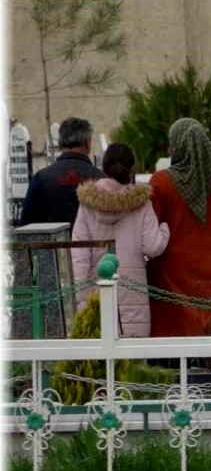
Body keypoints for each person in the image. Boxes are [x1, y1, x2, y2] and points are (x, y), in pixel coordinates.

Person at [146, 118, 211, 337]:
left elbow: (151, 230)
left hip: (173, 274)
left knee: (178, 347)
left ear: (177, 145)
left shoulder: (160, 182)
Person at [71, 143, 171, 337]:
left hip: (96, 292)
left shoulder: (87, 205)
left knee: (100, 358)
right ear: (131, 169)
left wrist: (80, 296)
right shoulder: (141, 204)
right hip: (132, 294)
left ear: (104, 168)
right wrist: (165, 229)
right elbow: (153, 247)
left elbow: (79, 254)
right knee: (132, 356)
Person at [19, 117, 104, 227]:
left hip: (50, 244)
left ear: (59, 144)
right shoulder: (101, 179)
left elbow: (26, 225)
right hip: (92, 243)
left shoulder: (40, 178)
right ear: (88, 143)